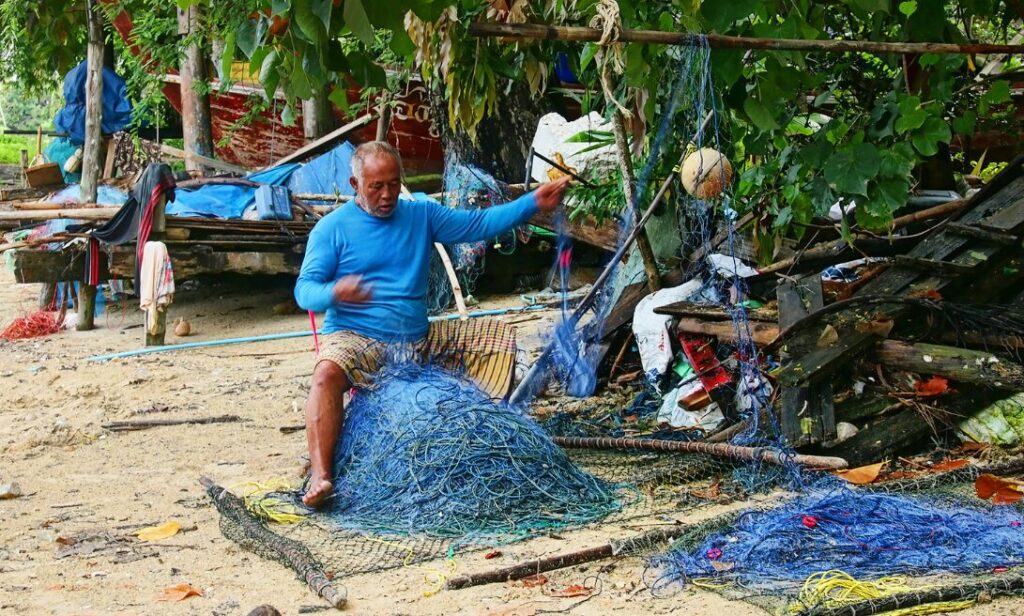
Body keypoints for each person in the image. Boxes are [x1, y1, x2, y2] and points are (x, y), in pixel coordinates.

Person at [295, 141, 570, 507]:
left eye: (393, 183)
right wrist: (335, 291)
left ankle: (478, 434)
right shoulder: (331, 229)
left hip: (418, 340)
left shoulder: (421, 215)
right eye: (376, 186)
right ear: (353, 184)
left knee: (497, 339)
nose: (387, 194)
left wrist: (532, 203)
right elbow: (304, 291)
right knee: (326, 374)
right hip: (358, 337)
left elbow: (478, 224)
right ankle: (321, 475)